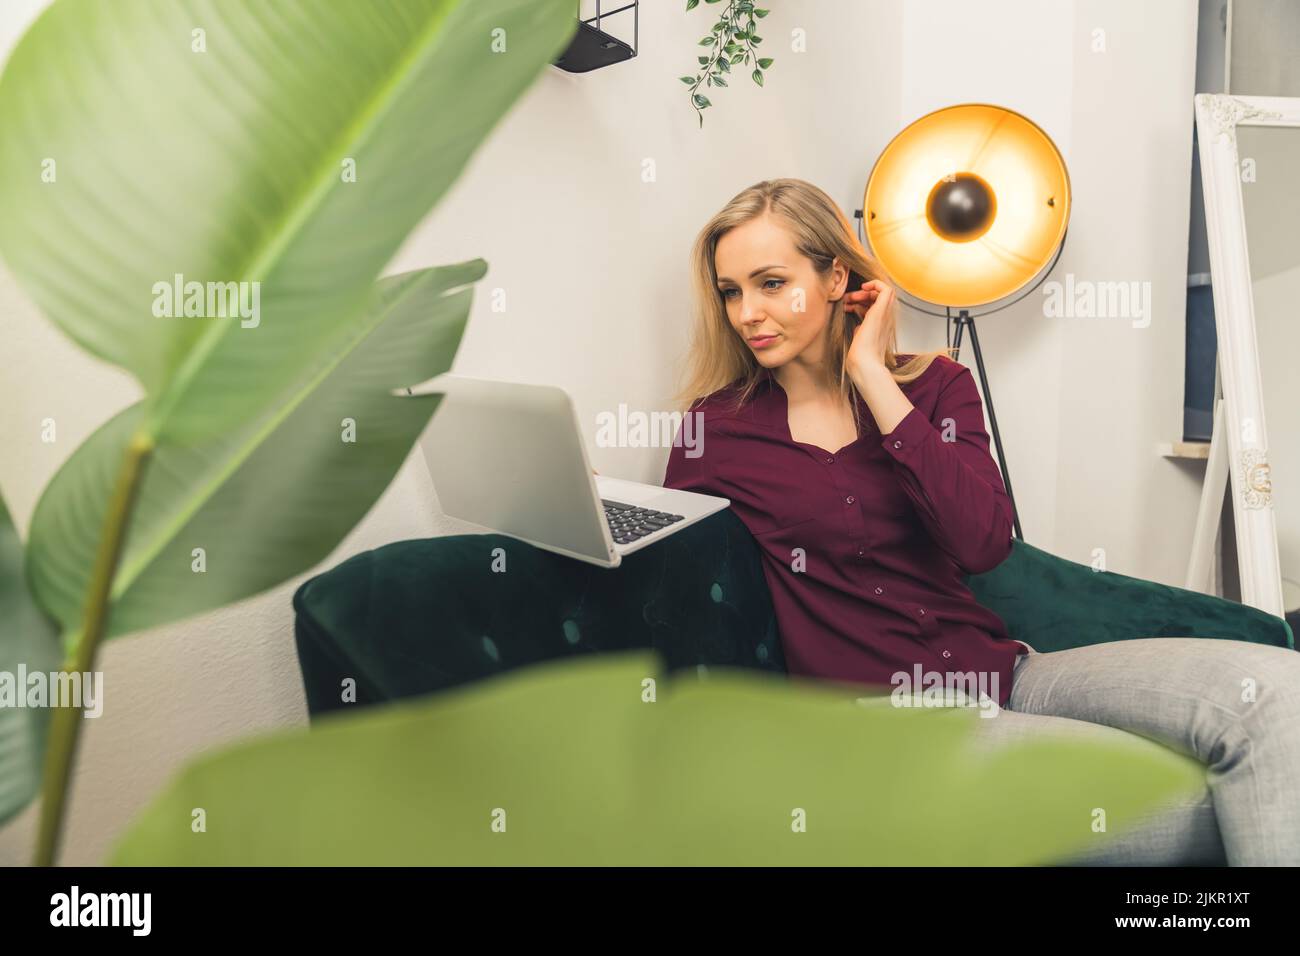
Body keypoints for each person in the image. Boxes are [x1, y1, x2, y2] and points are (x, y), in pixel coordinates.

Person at [662, 177, 1300, 865]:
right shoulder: (714, 431)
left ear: (836, 276)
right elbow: (673, 572)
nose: (747, 312)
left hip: (1009, 672)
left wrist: (875, 379)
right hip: (883, 726)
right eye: (731, 291)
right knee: (1183, 802)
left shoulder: (937, 386)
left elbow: (983, 541)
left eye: (770, 282)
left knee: (1278, 694)